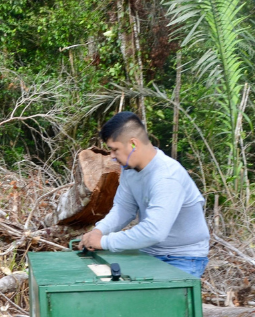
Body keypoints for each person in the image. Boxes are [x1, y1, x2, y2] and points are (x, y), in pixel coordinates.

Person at [78, 112, 210, 277]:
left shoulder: (167, 177)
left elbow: (154, 231)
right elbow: (123, 209)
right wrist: (99, 231)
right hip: (148, 253)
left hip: (182, 258)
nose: (111, 156)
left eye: (114, 149)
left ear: (133, 144)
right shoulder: (130, 170)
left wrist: (104, 242)